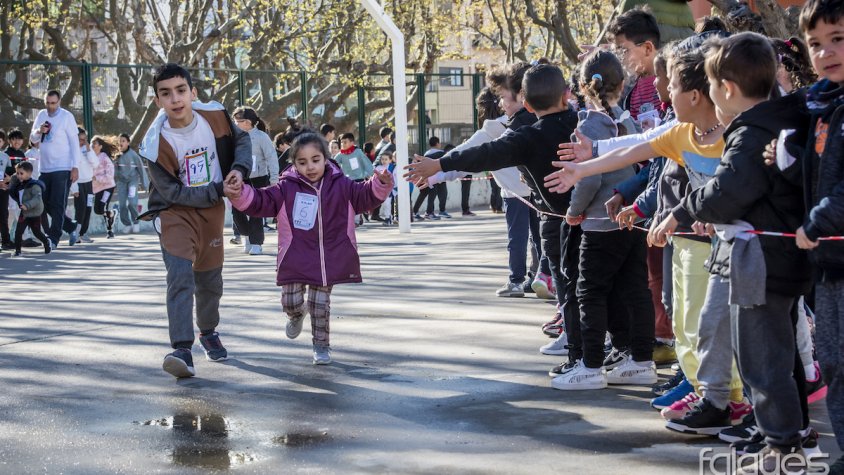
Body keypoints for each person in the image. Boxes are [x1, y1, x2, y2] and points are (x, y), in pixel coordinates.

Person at [680, 33, 812, 472]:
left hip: (760, 258)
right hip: (782, 255)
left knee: (758, 354)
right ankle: (787, 431)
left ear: (727, 90)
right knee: (781, 352)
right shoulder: (781, 119)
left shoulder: (752, 132)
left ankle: (781, 442)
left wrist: (692, 206)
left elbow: (728, 192)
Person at [225, 132, 392, 364]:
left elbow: (364, 196)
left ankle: (321, 346)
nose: (310, 167)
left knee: (320, 304)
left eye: (315, 160)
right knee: (290, 301)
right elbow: (261, 201)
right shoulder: (286, 188)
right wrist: (239, 192)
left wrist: (379, 184)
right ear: (294, 163)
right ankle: (296, 314)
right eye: (302, 162)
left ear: (326, 158)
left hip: (329, 258)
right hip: (296, 256)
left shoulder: (341, 184)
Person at [137, 63, 252, 378]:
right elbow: (172, 191)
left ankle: (208, 330)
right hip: (174, 212)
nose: (175, 99)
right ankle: (182, 349)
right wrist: (217, 189)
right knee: (180, 277)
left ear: (192, 93)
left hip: (212, 211)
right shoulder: (155, 145)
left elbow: (243, 141)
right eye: (165, 93)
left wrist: (238, 171)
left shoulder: (215, 117)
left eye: (180, 90)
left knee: (209, 281)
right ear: (157, 101)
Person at [551, 50, 655, 390]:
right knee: (635, 289)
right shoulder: (629, 122)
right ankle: (641, 360)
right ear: (622, 84)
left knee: (589, 291)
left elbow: (588, 178)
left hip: (599, 223)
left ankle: (591, 364)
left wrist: (573, 211)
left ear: (582, 86)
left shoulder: (587, 126)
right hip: (631, 219)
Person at [790, 0, 844, 471]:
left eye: (838, 39)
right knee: (833, 361)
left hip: (830, 244)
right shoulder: (822, 104)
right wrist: (784, 151)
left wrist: (816, 222)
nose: (826, 52)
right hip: (829, 263)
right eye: (815, 44)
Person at [29, 90, 82, 249]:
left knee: (58, 203)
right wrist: (39, 131)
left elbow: (74, 143)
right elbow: (32, 139)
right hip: (45, 168)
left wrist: (75, 166)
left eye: (53, 103)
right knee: (44, 202)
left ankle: (53, 238)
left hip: (63, 167)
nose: (50, 106)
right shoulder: (41, 115)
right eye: (48, 103)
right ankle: (72, 227)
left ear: (59, 102)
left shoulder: (67, 117)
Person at [232, 106, 280, 255]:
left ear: (247, 122)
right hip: (239, 177)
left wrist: (274, 180)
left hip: (259, 178)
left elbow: (271, 157)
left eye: (237, 121)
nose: (235, 124)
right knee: (237, 210)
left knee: (256, 212)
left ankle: (256, 243)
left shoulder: (261, 137)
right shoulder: (233, 137)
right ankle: (246, 235)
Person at [608, 7, 663, 124]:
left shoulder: (673, 84)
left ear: (647, 49)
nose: (619, 58)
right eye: (616, 52)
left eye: (623, 51)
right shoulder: (628, 89)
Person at [8, 161, 51, 256]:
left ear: (29, 173)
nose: (19, 175)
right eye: (17, 173)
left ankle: (46, 242)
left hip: (34, 213)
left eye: (21, 173)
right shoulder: (19, 184)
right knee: (18, 232)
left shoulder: (34, 185)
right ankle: (18, 251)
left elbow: (37, 199)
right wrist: (10, 182)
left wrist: (27, 205)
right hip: (24, 213)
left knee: (37, 232)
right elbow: (13, 192)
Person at [69, 127, 98, 244]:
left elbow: (95, 164)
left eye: (84, 139)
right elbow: (71, 170)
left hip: (88, 183)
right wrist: (74, 188)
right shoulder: (71, 151)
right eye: (80, 140)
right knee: (80, 209)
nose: (83, 142)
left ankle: (83, 232)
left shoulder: (88, 149)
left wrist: (89, 151)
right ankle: (76, 232)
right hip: (78, 183)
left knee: (88, 208)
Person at [115, 133, 148, 234]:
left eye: (123, 141)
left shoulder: (133, 155)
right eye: (119, 141)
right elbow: (113, 171)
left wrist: (145, 184)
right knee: (122, 205)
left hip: (132, 182)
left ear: (128, 142)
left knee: (132, 202)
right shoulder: (116, 155)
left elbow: (141, 169)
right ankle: (127, 224)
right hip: (121, 182)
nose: (121, 143)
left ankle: (136, 222)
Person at [90, 136, 117, 238]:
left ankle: (109, 230)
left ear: (100, 146)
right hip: (97, 189)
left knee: (103, 206)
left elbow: (110, 175)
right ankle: (112, 213)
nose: (92, 145)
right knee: (98, 210)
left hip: (108, 187)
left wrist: (97, 178)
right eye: (91, 143)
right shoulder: (90, 157)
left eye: (94, 143)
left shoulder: (104, 157)